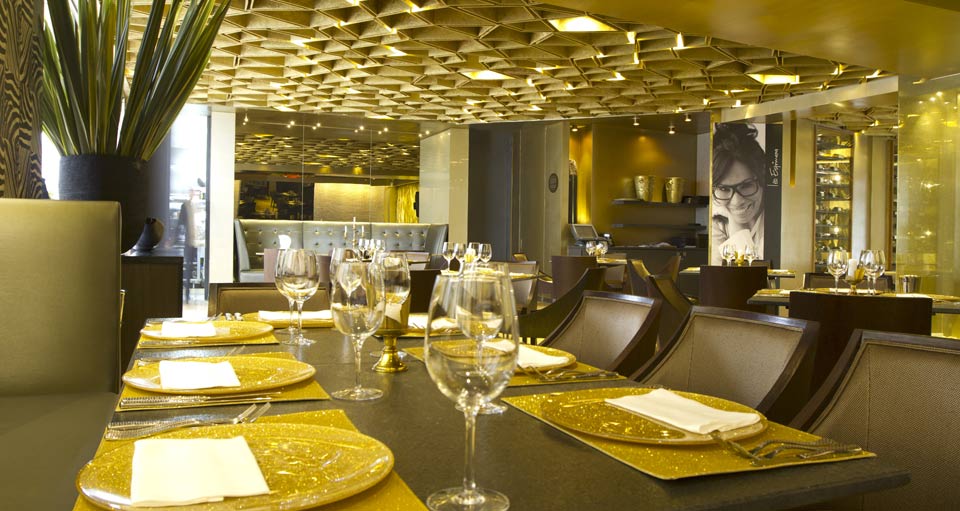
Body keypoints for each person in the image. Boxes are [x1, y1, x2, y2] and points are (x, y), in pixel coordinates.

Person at [711, 123, 766, 265]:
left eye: (746, 185)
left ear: (762, 180)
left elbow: (754, 275)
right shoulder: (717, 220)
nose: (737, 201)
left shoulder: (779, 221)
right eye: (724, 189)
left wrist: (738, 230)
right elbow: (719, 275)